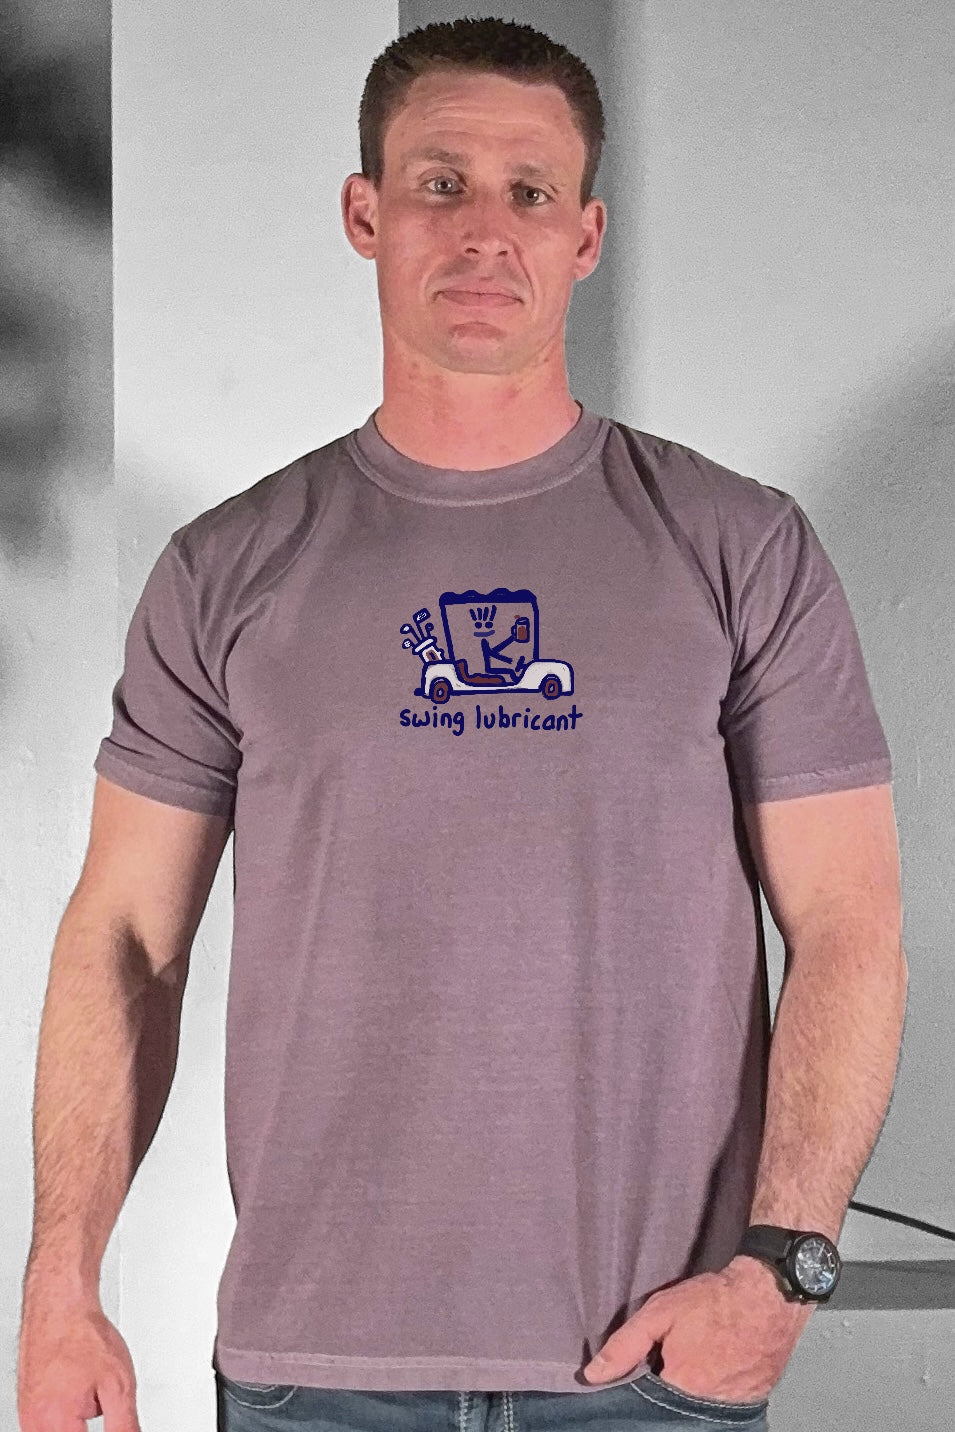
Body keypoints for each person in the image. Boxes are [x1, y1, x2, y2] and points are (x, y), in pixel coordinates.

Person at [17, 16, 907, 1432]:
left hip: (648, 1375)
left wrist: (781, 1275)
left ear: (586, 235)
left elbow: (850, 923)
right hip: (314, 1378)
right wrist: (60, 1285)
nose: (486, 229)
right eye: (441, 183)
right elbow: (124, 933)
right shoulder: (225, 568)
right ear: (364, 213)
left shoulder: (741, 547)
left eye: (529, 191)